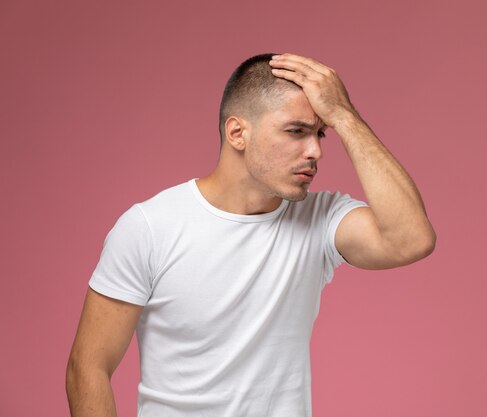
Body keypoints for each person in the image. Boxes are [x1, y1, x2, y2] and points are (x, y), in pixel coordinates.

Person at [65, 52, 436, 417]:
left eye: (321, 134)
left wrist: (344, 114)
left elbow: (410, 239)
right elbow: (88, 367)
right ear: (238, 132)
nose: (316, 151)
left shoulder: (320, 219)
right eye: (296, 131)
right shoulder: (149, 227)